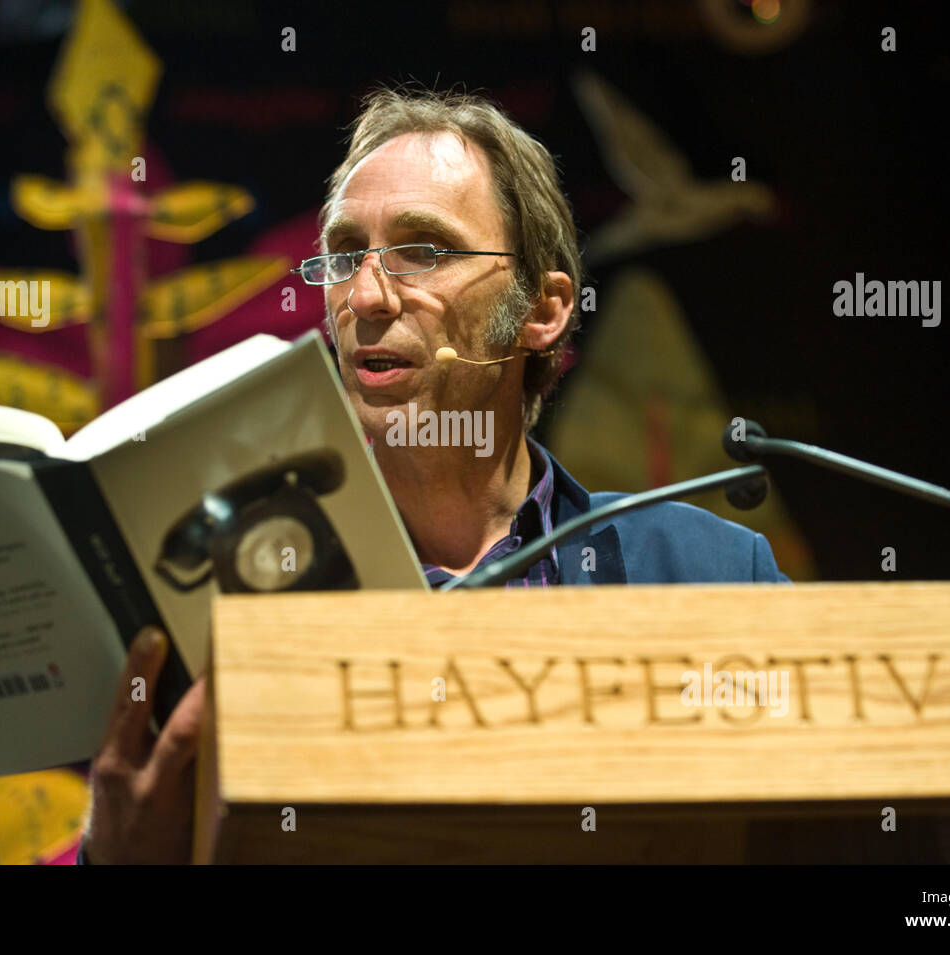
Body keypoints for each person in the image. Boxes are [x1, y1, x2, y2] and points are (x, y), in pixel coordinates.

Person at [79, 87, 788, 864]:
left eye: (425, 250)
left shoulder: (708, 576)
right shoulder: (222, 604)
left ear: (543, 310)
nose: (368, 296)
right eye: (345, 256)